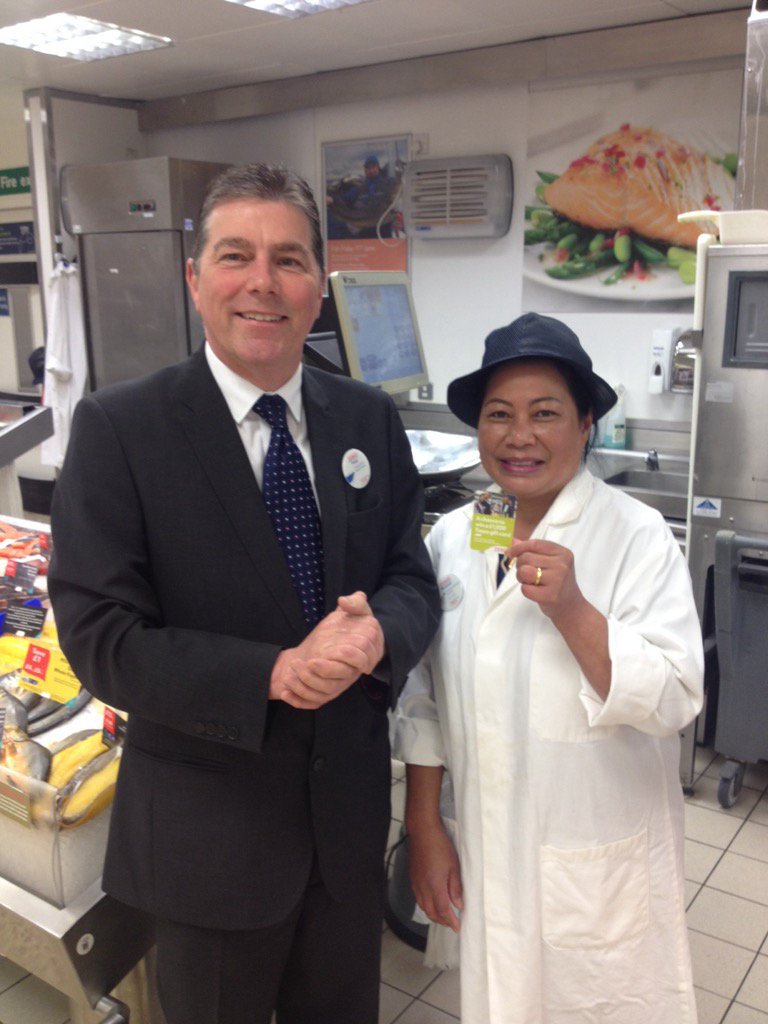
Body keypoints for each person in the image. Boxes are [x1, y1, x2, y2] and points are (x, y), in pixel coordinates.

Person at [48, 163, 441, 1024]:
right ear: (195, 281)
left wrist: (378, 640)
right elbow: (100, 636)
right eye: (236, 255)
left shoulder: (367, 419)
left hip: (343, 835)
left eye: (290, 259)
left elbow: (412, 576)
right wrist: (269, 673)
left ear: (316, 287)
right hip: (206, 846)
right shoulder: (122, 430)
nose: (263, 281)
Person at [394, 313, 703, 1024]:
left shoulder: (635, 535)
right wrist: (425, 827)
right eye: (499, 415)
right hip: (487, 849)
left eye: (545, 414)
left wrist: (573, 611)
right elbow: (425, 696)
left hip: (596, 866)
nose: (519, 436)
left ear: (587, 422)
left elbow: (677, 696)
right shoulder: (462, 533)